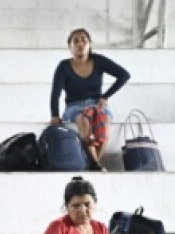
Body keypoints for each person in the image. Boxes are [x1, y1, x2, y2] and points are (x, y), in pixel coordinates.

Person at [49, 28, 129, 171]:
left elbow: (124, 75)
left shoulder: (99, 60)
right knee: (83, 119)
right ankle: (96, 164)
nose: (80, 43)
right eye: (76, 41)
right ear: (70, 47)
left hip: (96, 104)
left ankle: (94, 163)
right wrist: (55, 115)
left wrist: (105, 96)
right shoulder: (64, 66)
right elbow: (55, 93)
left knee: (103, 118)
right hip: (74, 106)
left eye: (84, 40)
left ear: (90, 43)